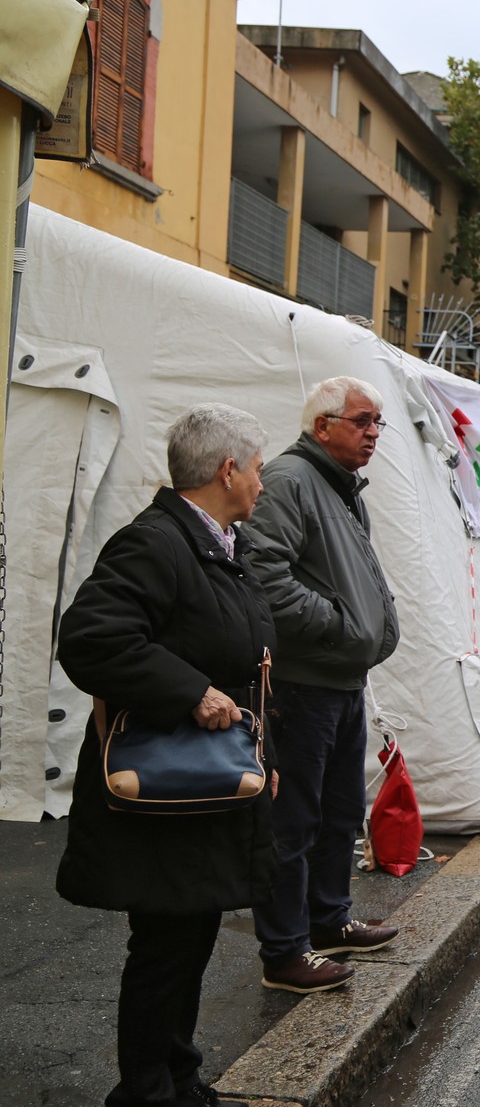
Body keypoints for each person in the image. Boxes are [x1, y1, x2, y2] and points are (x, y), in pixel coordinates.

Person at [56, 404, 277, 1107]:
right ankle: (147, 1090)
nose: (263, 486)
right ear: (227, 469)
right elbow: (91, 638)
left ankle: (178, 1076)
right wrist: (191, 692)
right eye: (260, 470)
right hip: (166, 786)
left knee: (190, 935)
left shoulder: (212, 541)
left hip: (202, 784)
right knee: (164, 947)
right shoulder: (156, 542)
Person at [244, 377, 401, 994]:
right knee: (293, 820)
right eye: (362, 422)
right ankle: (285, 952)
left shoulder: (340, 487)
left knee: (339, 813)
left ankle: (329, 921)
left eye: (378, 424)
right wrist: (340, 627)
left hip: (338, 680)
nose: (373, 434)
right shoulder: (290, 481)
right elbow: (262, 573)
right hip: (302, 683)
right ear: (323, 426)